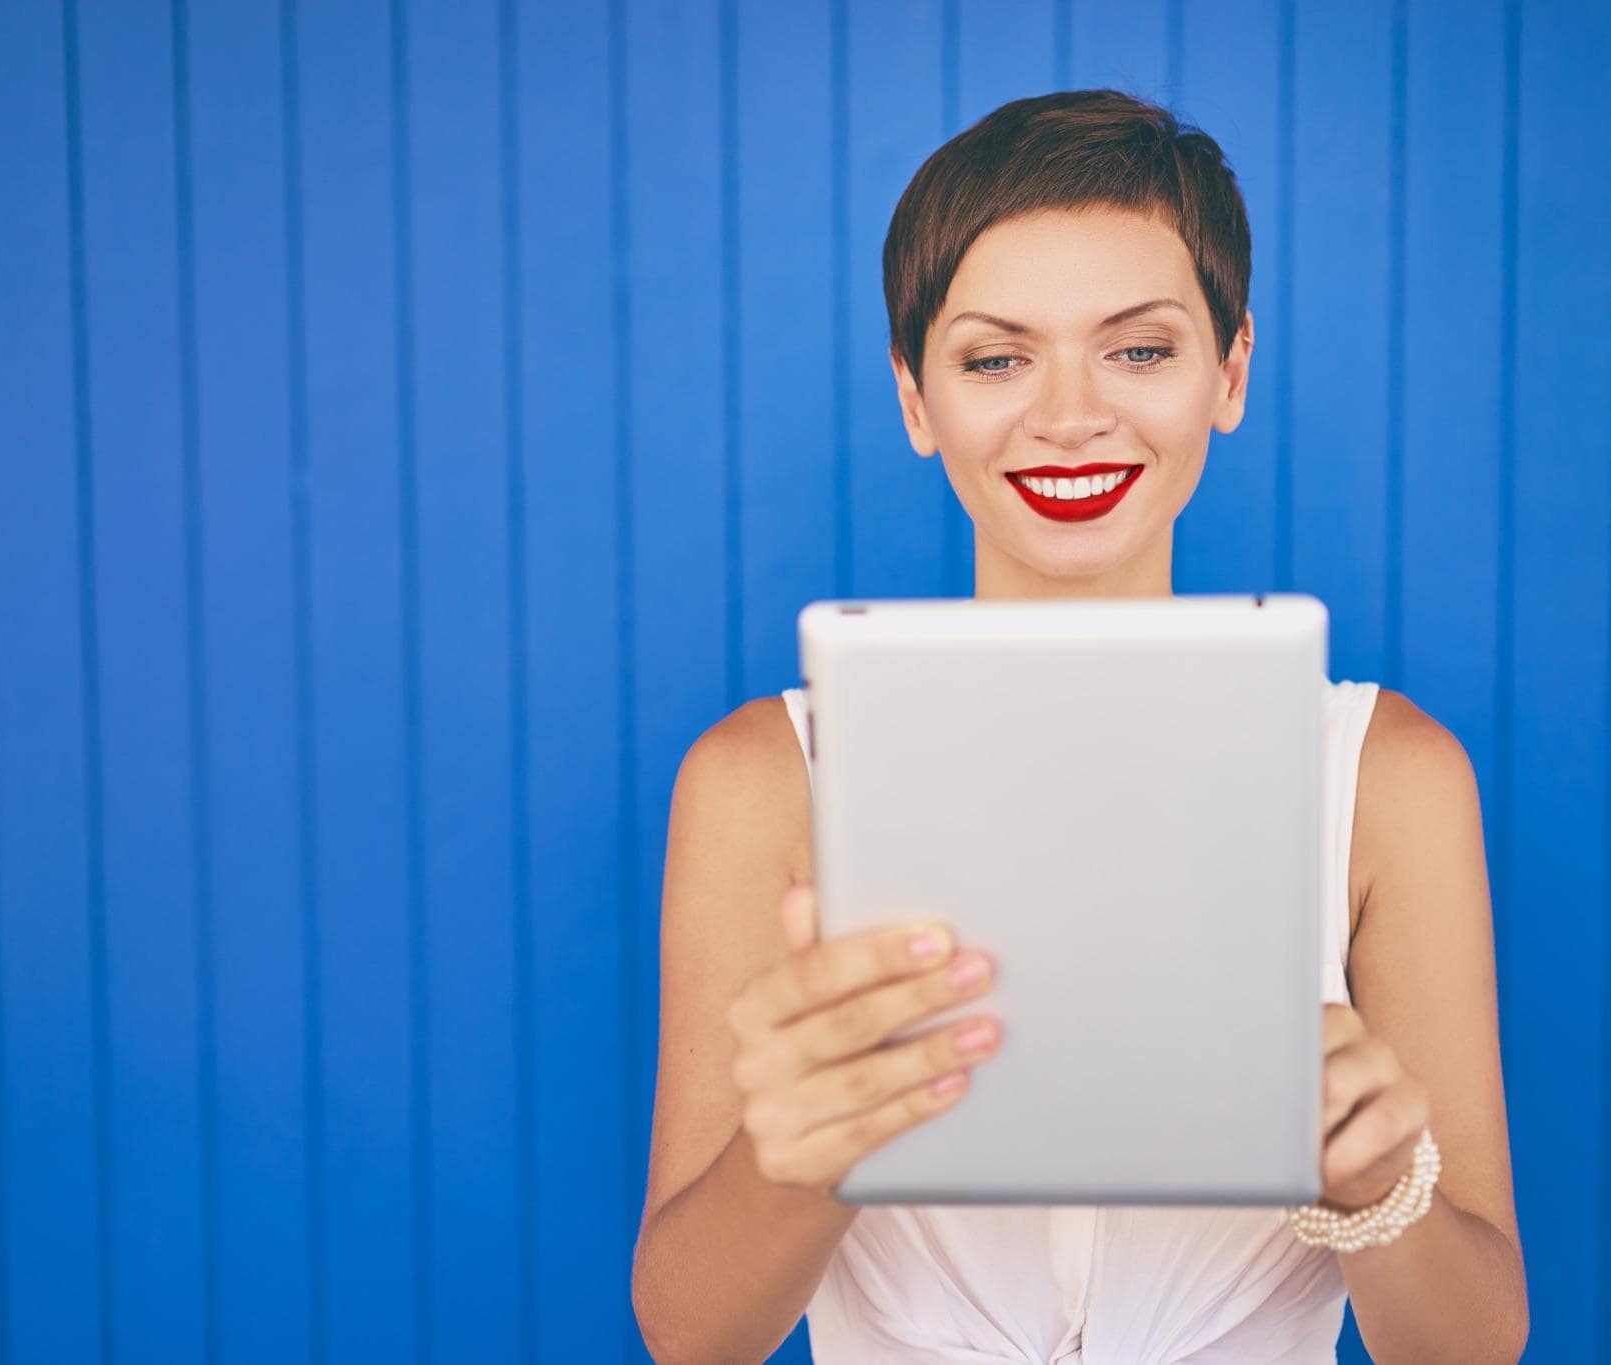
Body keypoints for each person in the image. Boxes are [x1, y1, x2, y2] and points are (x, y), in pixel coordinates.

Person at [631, 88, 1528, 1364]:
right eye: (995, 358)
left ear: (1229, 371)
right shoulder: (759, 781)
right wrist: (808, 1151)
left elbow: (1475, 1341)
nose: (1068, 415)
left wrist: (1366, 1185)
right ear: (913, 399)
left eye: (1139, 349)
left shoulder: (1387, 776)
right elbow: (689, 1331)